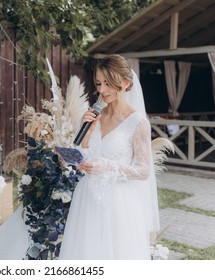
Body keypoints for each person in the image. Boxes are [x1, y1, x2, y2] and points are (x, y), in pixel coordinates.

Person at [59, 54, 160, 259]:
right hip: (87, 198)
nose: (101, 90)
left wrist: (106, 167)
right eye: (98, 83)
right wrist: (85, 132)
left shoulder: (138, 123)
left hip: (119, 202)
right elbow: (85, 154)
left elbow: (143, 171)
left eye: (108, 83)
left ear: (125, 83)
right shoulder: (94, 116)